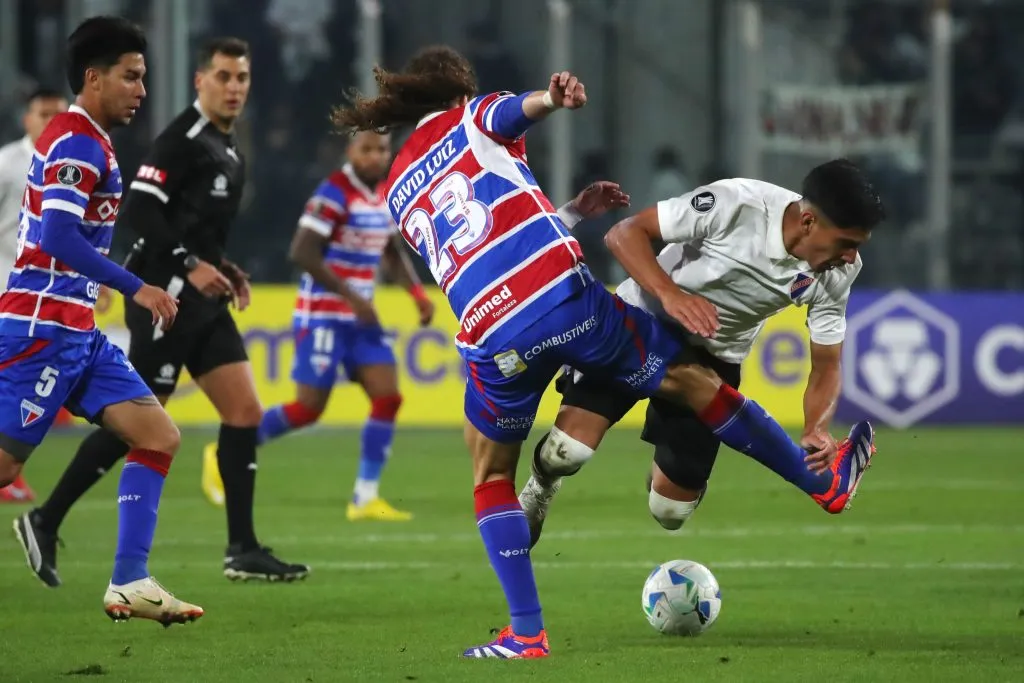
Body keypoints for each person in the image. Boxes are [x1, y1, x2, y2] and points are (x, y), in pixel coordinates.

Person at [334, 45, 875, 659]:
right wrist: (550, 99)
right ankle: (821, 485)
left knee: (491, 478)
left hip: (489, 329)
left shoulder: (398, 191)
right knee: (686, 387)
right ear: (459, 93)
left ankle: (525, 633)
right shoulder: (471, 117)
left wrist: (567, 212)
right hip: (564, 299)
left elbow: (475, 234)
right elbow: (513, 114)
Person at [16, 36, 309, 587]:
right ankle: (45, 518)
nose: (234, 87)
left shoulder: (229, 144)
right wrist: (185, 264)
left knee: (243, 411)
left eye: (242, 78)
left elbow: (197, 222)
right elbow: (144, 211)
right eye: (223, 76)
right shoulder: (181, 140)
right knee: (140, 421)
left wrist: (223, 265)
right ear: (200, 81)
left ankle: (241, 548)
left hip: (202, 297)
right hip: (165, 295)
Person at [520, 161, 884, 544]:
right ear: (808, 222)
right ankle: (540, 488)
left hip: (715, 356)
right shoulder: (737, 204)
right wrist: (670, 294)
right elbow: (625, 233)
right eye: (846, 243)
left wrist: (816, 427)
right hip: (642, 322)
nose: (849, 257)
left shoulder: (838, 272)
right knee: (567, 452)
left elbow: (826, 362)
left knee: (670, 512)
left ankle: (674, 465)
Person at [3, 16, 200, 625]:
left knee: (158, 435)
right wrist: (136, 285)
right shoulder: (78, 142)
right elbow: (60, 235)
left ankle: (130, 581)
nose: (141, 90)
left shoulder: (87, 138)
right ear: (94, 78)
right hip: (39, 331)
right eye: (131, 77)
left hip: (77, 333)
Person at [249, 130, 434, 522]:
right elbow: (301, 250)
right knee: (307, 409)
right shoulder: (333, 192)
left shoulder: (385, 194)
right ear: (350, 152)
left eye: (382, 149)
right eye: (366, 149)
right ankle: (234, 447)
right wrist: (352, 295)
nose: (375, 156)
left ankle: (364, 498)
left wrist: (416, 294)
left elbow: (389, 248)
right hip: (323, 315)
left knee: (388, 397)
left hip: (359, 318)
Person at [0, 87, 69, 503]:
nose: (50, 122)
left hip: (48, 299)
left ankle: (12, 472)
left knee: (23, 390)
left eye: (57, 115)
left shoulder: (69, 165)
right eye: (43, 114)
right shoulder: (7, 165)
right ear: (27, 119)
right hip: (6, 291)